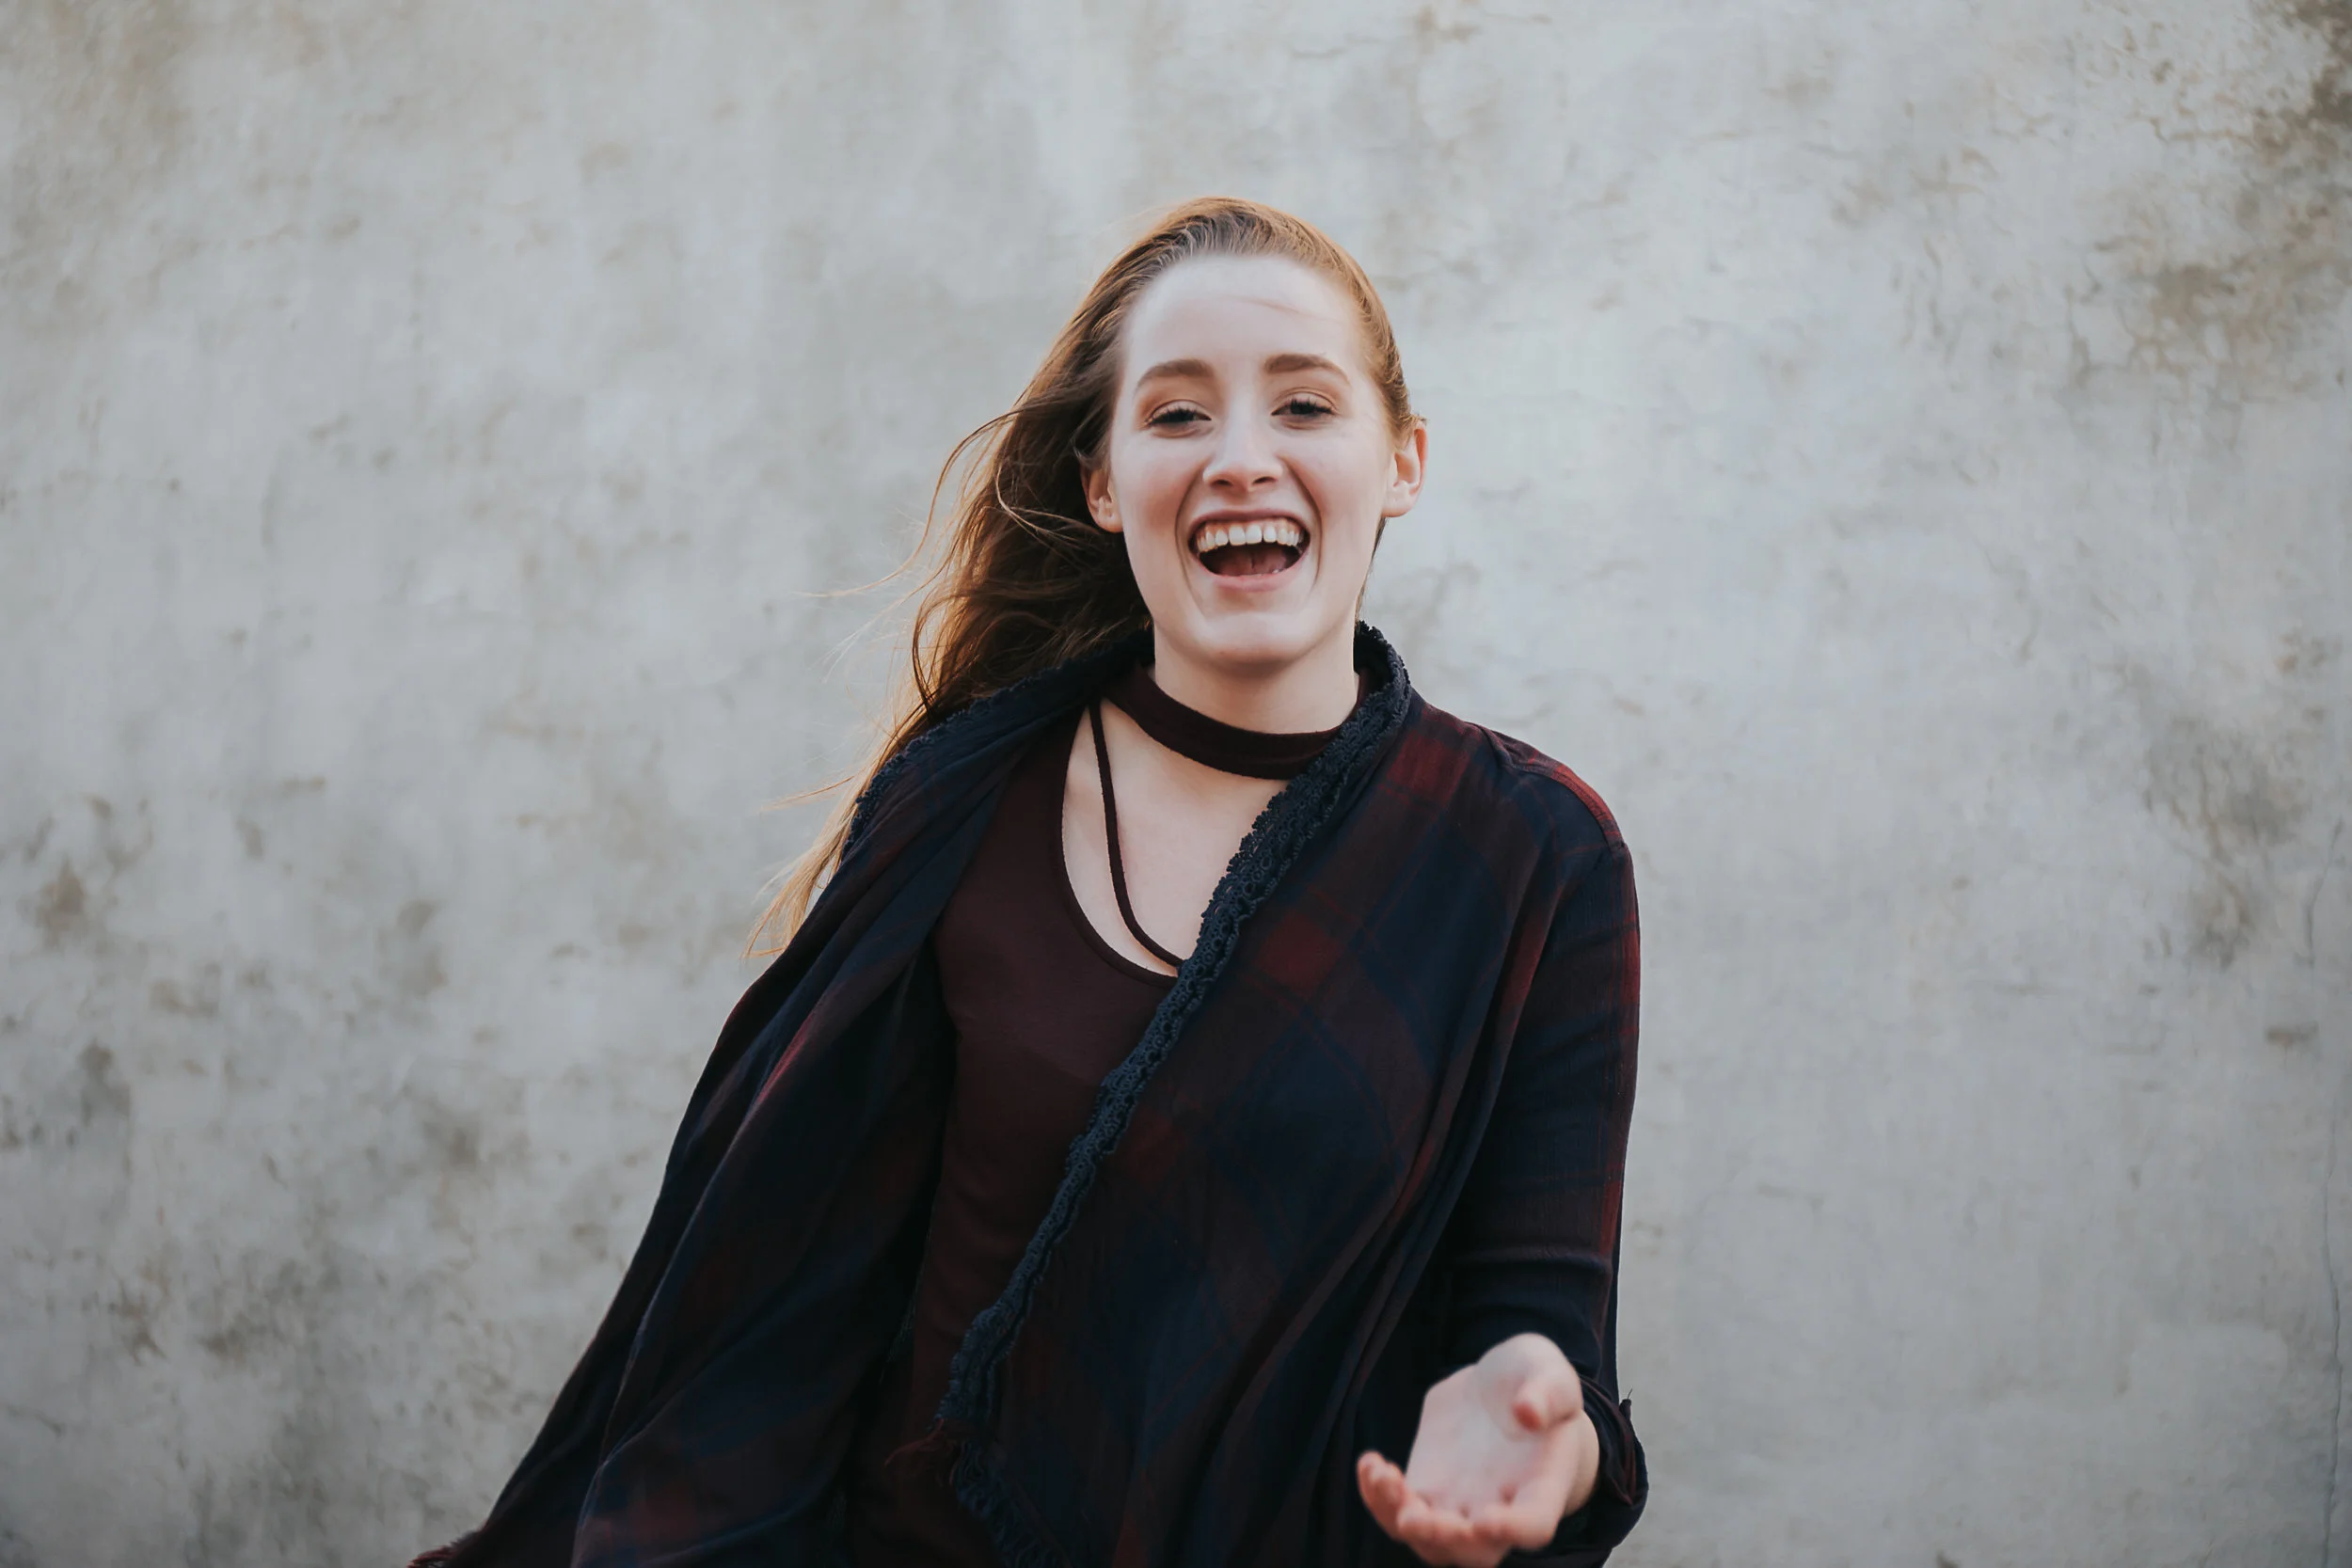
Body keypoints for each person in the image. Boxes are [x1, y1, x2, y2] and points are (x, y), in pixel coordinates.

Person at [412, 197, 1645, 1568]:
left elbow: (1547, 1346)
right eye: (1177, 414)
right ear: (1103, 483)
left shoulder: (1535, 856)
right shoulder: (963, 803)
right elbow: (776, 1298)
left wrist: (1545, 1423)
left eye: (1305, 405)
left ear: (1402, 460)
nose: (1243, 457)